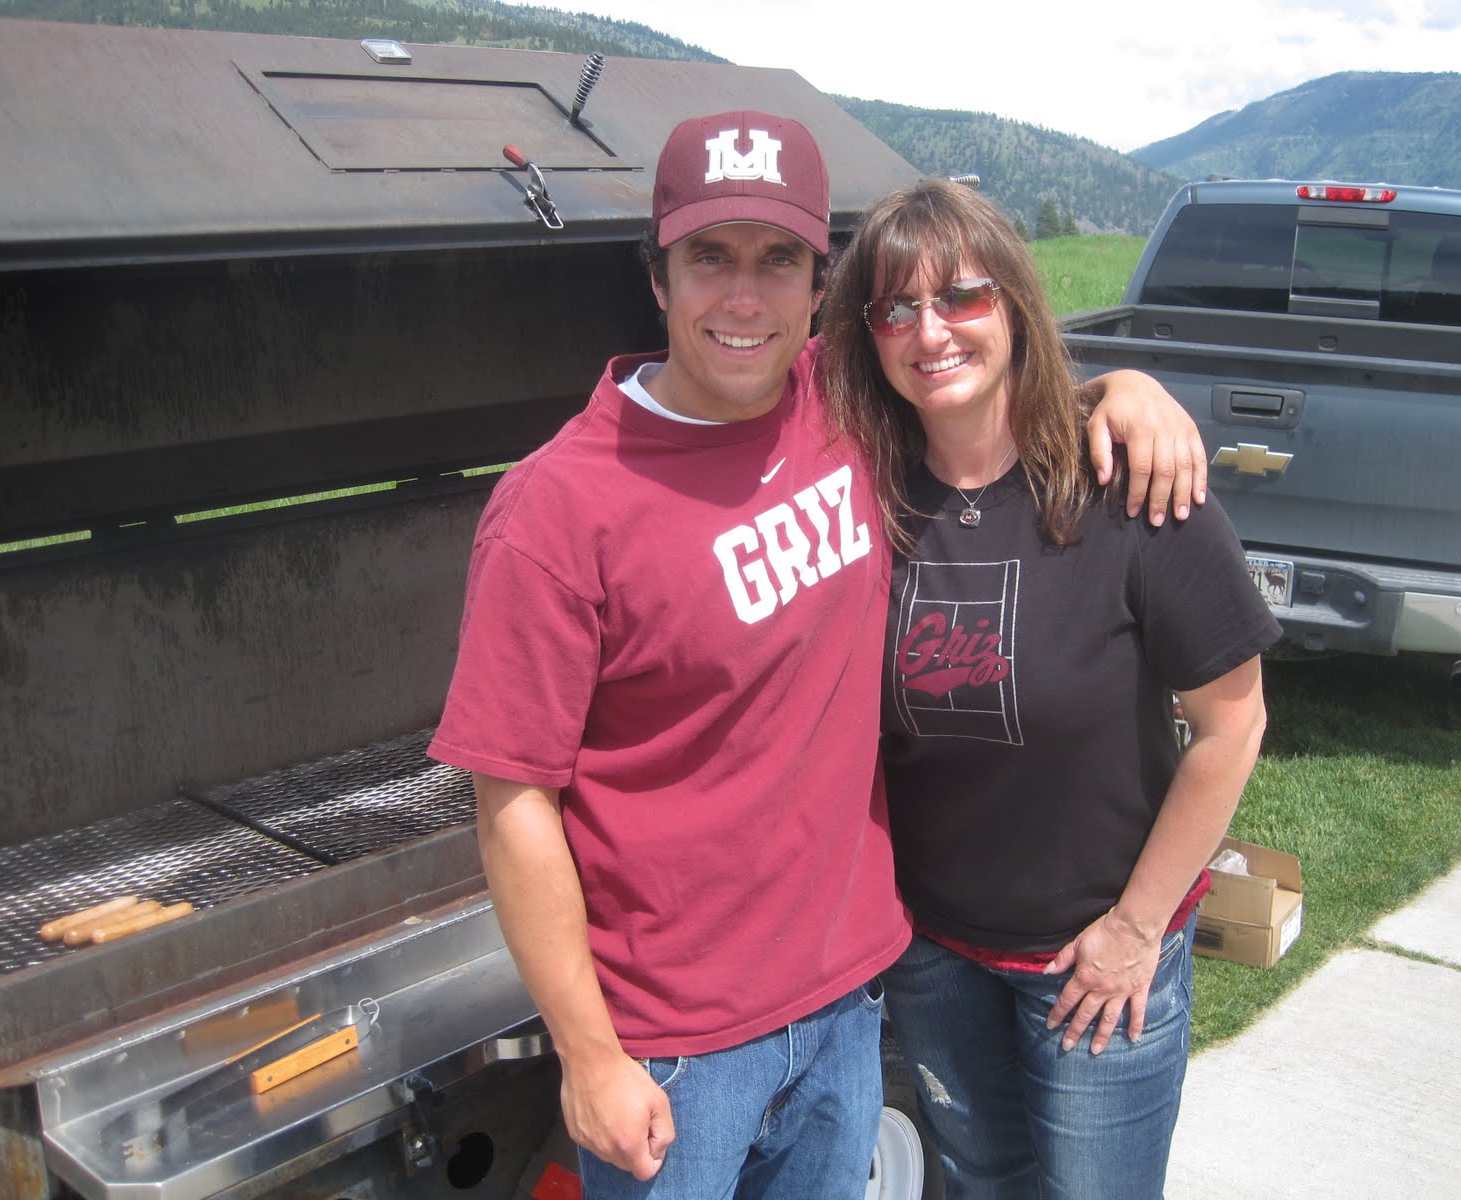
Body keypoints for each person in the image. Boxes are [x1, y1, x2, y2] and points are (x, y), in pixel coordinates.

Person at [429, 112, 1206, 1200]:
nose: (744, 299)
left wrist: (1120, 392)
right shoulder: (557, 511)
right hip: (676, 1050)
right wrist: (589, 1054)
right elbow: (513, 802)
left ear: (816, 284)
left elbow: (976, 391)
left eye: (778, 261)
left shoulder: (839, 401)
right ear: (656, 278)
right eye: (710, 259)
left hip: (850, 1005)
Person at [818, 177, 1281, 1199]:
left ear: (1016, 304)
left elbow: (1232, 725)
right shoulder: (860, 493)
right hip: (933, 954)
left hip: (1096, 964)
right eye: (896, 308)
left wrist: (1135, 932)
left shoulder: (1132, 487)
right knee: (982, 1183)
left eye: (961, 296)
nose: (930, 331)